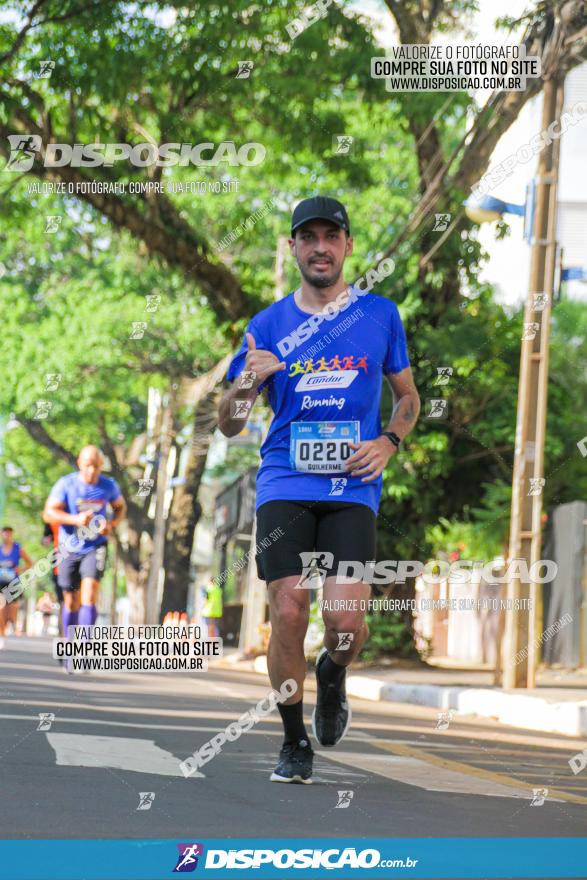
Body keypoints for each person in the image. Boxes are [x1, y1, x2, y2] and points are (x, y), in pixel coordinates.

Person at [218, 196, 420, 784]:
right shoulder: (267, 325)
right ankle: (293, 739)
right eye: (308, 237)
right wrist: (246, 383)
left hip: (353, 485)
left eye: (331, 236)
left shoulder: (381, 315)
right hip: (285, 479)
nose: (320, 247)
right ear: (294, 248)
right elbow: (229, 422)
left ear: (348, 245)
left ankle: (332, 673)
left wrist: (388, 441)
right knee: (288, 606)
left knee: (345, 621)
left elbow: (408, 397)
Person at [43, 445, 126, 650]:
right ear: (80, 463)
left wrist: (112, 524)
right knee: (70, 601)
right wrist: (75, 519)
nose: (92, 471)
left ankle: (84, 648)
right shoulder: (66, 485)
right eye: (88, 465)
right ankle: (69, 645)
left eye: (97, 466)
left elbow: (120, 507)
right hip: (68, 548)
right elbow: (48, 513)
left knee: (90, 593)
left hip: (95, 546)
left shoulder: (108, 485)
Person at [0, 526, 33, 643]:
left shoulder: (17, 548)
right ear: (1, 534)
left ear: (12, 535)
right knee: (1, 606)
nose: (7, 536)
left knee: (11, 609)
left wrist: (20, 568)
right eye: (5, 533)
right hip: (1, 583)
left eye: (9, 534)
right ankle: (2, 633)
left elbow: (30, 563)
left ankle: (11, 624)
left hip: (13, 583)